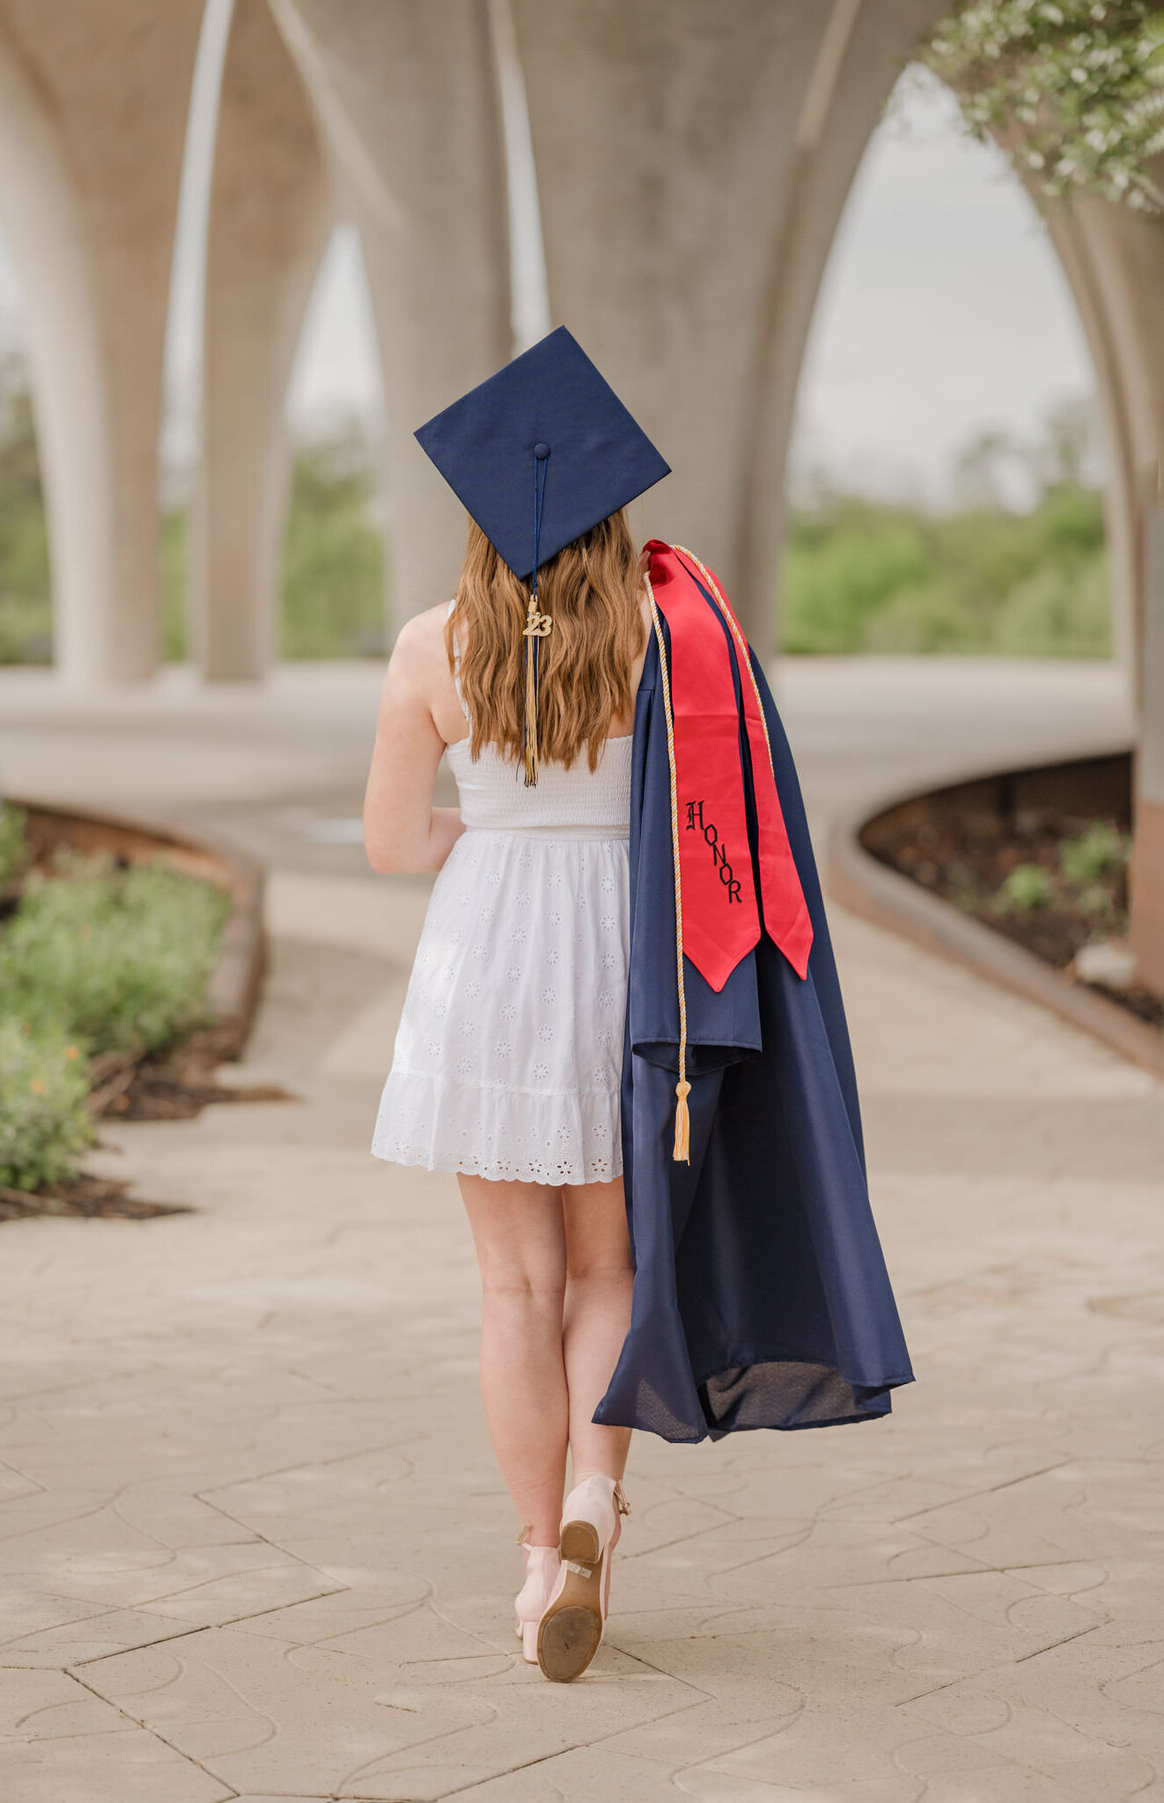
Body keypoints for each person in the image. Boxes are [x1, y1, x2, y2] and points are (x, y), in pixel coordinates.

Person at [364, 327, 913, 1684]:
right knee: (610, 1270)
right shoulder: (670, 641)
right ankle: (598, 1499)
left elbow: (386, 841)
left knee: (512, 1285)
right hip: (628, 962)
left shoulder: (435, 645)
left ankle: (538, 1561)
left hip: (490, 960)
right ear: (615, 513)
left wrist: (477, 833)